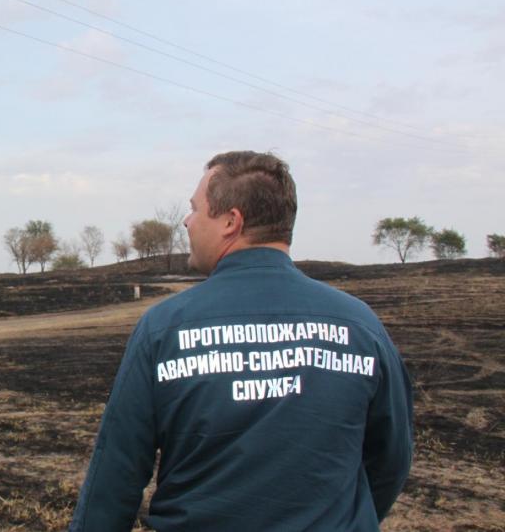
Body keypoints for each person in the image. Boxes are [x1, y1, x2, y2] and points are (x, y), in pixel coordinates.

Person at [69, 151, 413, 531]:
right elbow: (392, 459)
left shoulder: (165, 328)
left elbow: (116, 472)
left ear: (231, 221)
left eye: (195, 209)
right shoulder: (359, 325)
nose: (187, 220)